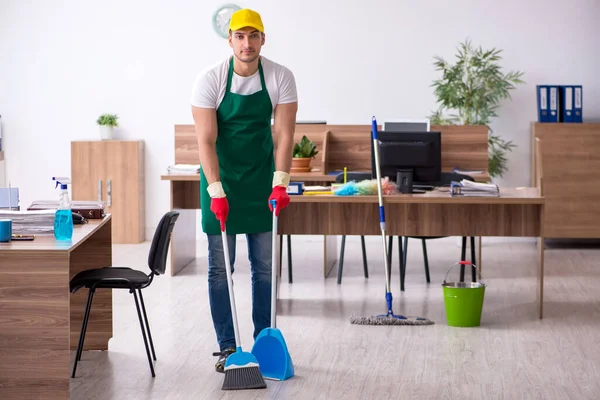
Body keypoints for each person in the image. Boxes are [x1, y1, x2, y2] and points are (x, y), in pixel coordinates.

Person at [190, 8, 298, 373]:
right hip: (220, 181)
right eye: (240, 36)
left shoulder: (281, 77)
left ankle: (264, 343)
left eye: (253, 36)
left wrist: (280, 182)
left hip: (261, 180)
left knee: (265, 268)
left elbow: (284, 135)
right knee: (220, 269)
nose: (247, 43)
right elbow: (205, 140)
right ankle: (227, 347)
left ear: (263, 39)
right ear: (230, 39)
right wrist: (216, 191)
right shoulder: (209, 80)